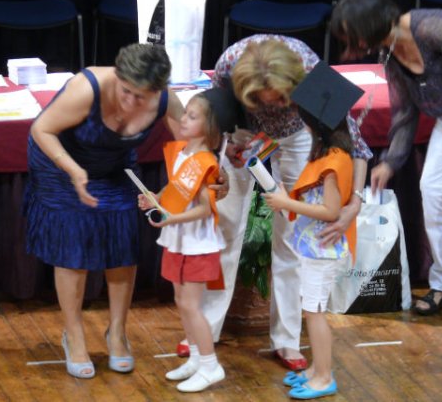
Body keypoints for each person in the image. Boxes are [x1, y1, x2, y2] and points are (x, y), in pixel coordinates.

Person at [175, 35, 372, 370]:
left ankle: (287, 339)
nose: (276, 107)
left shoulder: (309, 68)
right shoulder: (229, 64)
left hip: (299, 137)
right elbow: (214, 115)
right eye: (265, 101)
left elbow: (354, 141)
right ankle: (204, 327)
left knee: (294, 237)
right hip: (244, 134)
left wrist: (355, 199)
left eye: (283, 99)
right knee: (224, 228)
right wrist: (225, 144)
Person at [331, 0, 442, 332]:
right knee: (433, 187)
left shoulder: (430, 27)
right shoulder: (389, 53)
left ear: (369, 24)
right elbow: (405, 113)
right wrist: (390, 161)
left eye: (352, 35)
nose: (353, 45)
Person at [24, 43, 185, 378]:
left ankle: (117, 332)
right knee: (73, 248)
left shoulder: (167, 101)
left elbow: (191, 142)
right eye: (126, 91)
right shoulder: (87, 89)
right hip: (61, 163)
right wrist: (72, 170)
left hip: (114, 166)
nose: (130, 102)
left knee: (122, 244)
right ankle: (74, 334)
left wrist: (205, 174)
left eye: (141, 97)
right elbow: (41, 130)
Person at [263, 62, 359, 400]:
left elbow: (331, 210)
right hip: (312, 247)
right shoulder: (328, 152)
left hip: (322, 250)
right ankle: (315, 371)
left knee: (315, 315)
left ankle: (324, 377)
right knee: (311, 312)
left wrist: (286, 204)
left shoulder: (334, 161)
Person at [138, 89, 229, 392]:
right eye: (185, 113)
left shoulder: (206, 162)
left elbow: (205, 208)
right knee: (181, 301)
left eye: (192, 116)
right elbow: (175, 187)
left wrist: (171, 218)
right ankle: (195, 358)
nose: (184, 120)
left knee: (192, 306)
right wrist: (156, 198)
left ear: (209, 126)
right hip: (178, 239)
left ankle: (210, 364)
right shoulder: (183, 152)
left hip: (198, 243)